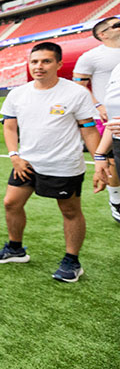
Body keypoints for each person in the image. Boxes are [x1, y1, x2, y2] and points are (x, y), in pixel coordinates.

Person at [0, 42, 101, 283]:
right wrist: (14, 155)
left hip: (64, 164)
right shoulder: (18, 94)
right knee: (11, 203)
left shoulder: (75, 93)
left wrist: (100, 159)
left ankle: (72, 261)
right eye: (34, 61)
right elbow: (9, 126)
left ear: (59, 64)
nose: (39, 66)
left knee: (69, 211)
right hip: (26, 162)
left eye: (46, 61)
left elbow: (89, 129)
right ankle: (15, 249)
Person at [73, 16, 120, 221]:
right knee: (111, 162)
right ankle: (116, 201)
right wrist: (98, 105)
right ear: (103, 34)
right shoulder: (91, 57)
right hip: (107, 117)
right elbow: (79, 87)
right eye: (117, 24)